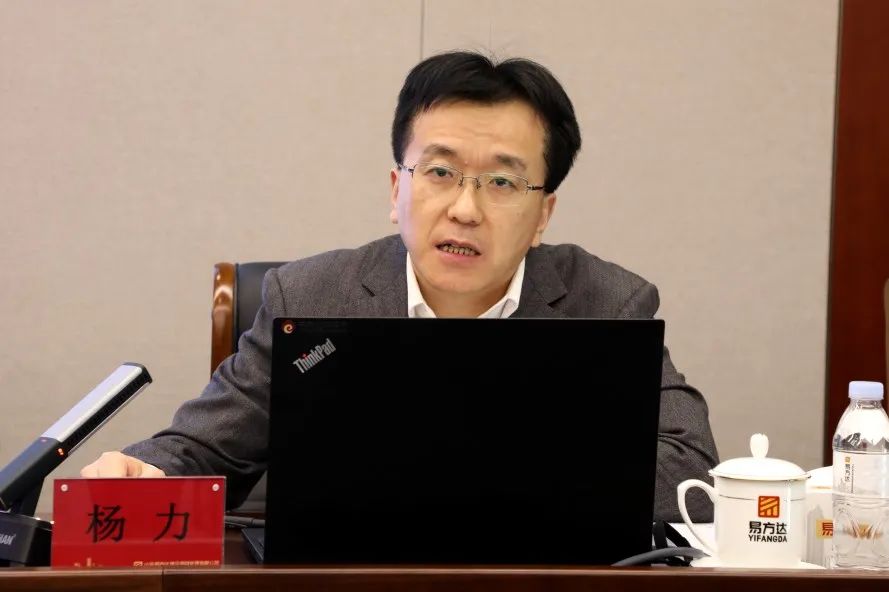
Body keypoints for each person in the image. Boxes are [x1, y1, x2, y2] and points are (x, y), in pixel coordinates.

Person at [82, 51, 718, 522]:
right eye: (440, 172)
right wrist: (140, 471)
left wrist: (465, 467)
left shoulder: (606, 304)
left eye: (502, 182)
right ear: (397, 191)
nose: (465, 210)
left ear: (543, 215)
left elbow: (692, 474)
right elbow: (200, 451)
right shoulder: (309, 298)